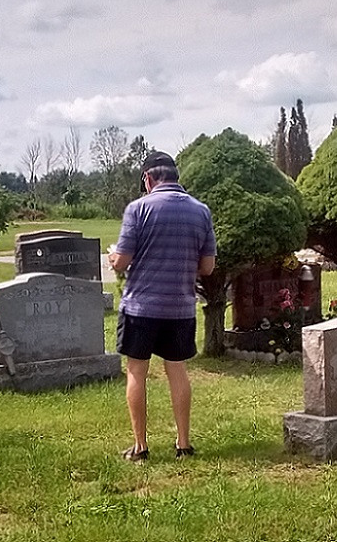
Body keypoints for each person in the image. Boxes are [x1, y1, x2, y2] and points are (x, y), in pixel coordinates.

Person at [109, 151, 216, 462]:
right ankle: (183, 443)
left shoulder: (138, 209)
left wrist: (113, 259)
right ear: (176, 178)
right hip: (180, 306)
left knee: (136, 372)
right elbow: (207, 266)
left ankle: (141, 447)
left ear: (148, 179)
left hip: (141, 306)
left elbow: (122, 261)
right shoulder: (201, 211)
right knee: (177, 371)